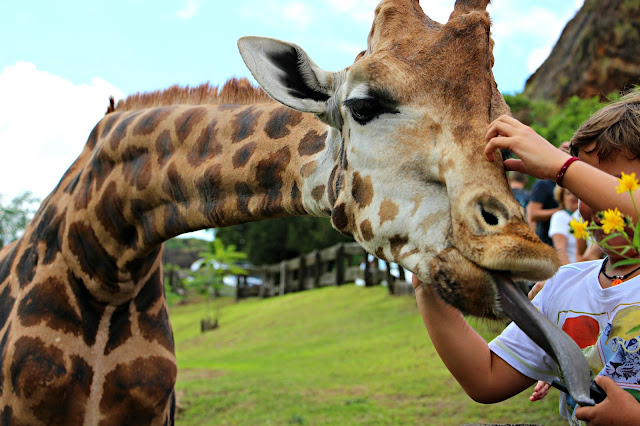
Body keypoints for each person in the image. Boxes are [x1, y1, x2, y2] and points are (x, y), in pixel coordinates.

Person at [414, 91, 640, 425]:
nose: (591, 204)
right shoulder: (563, 287)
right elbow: (486, 378)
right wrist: (430, 287)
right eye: (582, 191)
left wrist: (561, 167)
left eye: (609, 185)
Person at [548, 185, 580, 265]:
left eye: (576, 193)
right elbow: (560, 250)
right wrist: (570, 272)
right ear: (562, 198)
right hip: (573, 268)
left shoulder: (583, 218)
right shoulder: (560, 216)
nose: (573, 196)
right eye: (569, 193)